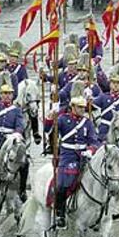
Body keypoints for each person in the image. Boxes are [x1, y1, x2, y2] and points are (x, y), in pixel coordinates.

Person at [44, 81, 100, 228]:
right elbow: (48, 130)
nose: (82, 110)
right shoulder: (63, 119)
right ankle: (60, 213)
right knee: (63, 184)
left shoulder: (87, 123)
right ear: (72, 107)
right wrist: (50, 117)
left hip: (83, 155)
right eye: (79, 107)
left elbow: (94, 141)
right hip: (67, 155)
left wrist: (91, 150)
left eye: (84, 107)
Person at [92, 65, 119, 142]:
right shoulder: (103, 97)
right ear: (110, 83)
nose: (115, 85)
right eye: (113, 82)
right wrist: (88, 99)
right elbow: (91, 107)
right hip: (105, 129)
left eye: (118, 83)